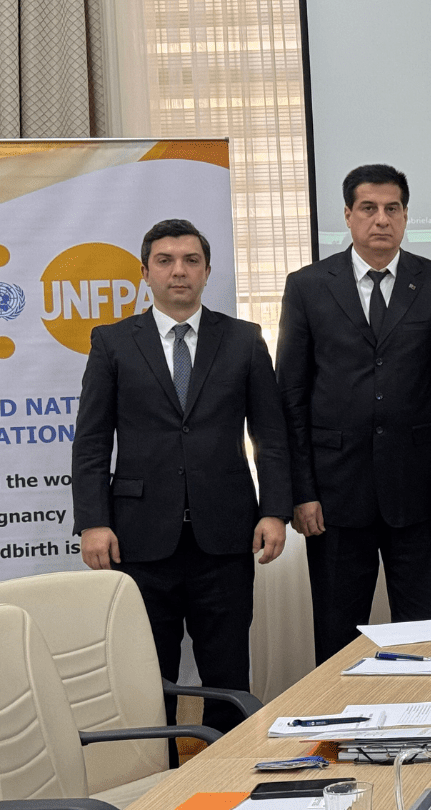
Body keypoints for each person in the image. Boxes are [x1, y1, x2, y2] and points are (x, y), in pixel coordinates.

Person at [72, 219, 290, 735]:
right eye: (166, 261)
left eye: (191, 260)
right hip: (140, 538)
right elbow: (92, 440)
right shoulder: (112, 343)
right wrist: (92, 522)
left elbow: (271, 436)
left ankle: (228, 777)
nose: (179, 271)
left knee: (228, 674)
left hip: (226, 535)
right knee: (150, 676)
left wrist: (275, 510)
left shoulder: (242, 339)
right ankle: (162, 782)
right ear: (145, 272)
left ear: (208, 271)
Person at [276, 164, 431, 665]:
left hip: (419, 494)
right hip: (335, 498)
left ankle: (428, 727)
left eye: (392, 209)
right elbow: (291, 398)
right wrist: (302, 492)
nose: (380, 220)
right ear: (347, 215)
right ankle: (344, 736)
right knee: (339, 638)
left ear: (406, 216)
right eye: (368, 208)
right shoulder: (307, 287)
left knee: (425, 631)